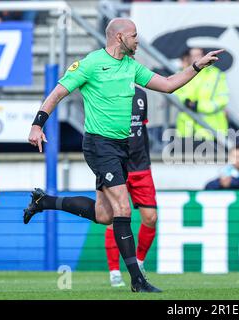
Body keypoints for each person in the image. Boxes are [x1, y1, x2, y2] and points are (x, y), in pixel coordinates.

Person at [23, 17, 223, 293]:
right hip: (98, 145)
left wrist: (196, 67)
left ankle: (44, 201)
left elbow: (168, 85)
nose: (138, 40)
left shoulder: (131, 66)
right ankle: (137, 281)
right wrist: (37, 124)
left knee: (104, 215)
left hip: (122, 148)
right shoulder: (91, 64)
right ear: (119, 38)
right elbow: (57, 93)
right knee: (123, 209)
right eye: (134, 35)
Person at [105, 86, 158, 287]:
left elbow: (141, 130)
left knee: (151, 217)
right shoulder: (107, 91)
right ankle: (114, 271)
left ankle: (139, 262)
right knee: (114, 217)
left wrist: (147, 161)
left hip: (141, 165)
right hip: (116, 164)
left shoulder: (141, 94)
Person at [174, 47, 229, 144]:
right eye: (193, 55)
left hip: (211, 130)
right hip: (186, 129)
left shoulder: (216, 74)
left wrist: (198, 106)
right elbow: (176, 93)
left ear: (204, 56)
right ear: (188, 58)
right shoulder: (182, 73)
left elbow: (222, 99)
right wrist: (186, 101)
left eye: (199, 55)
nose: (196, 57)